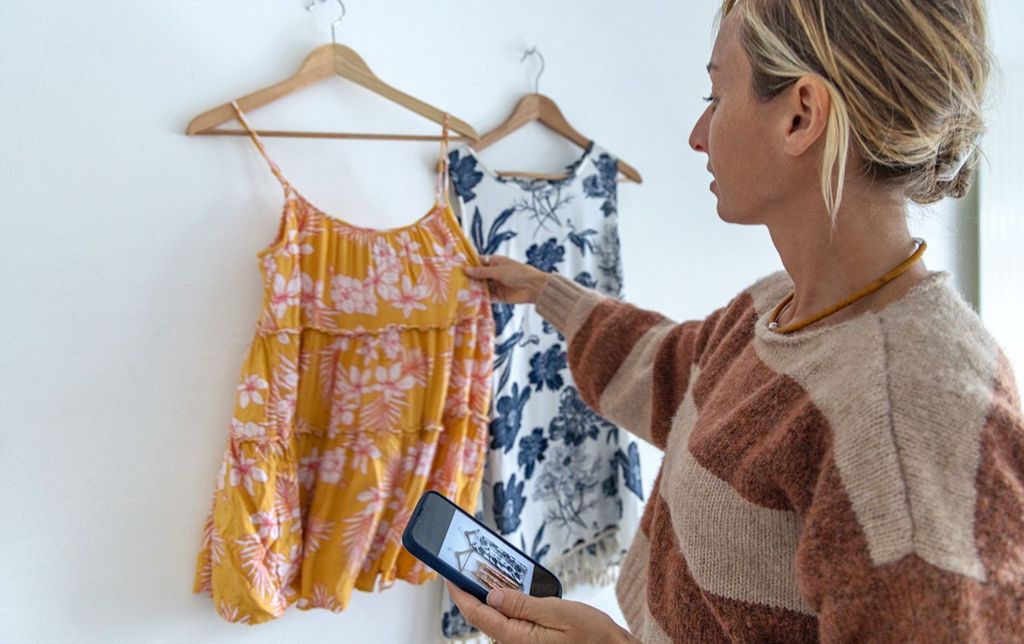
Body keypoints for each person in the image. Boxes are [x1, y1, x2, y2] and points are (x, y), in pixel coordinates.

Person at [447, 0, 1024, 641]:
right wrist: (547, 293)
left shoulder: (910, 421)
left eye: (716, 95)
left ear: (801, 116)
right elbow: (676, 374)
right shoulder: (780, 306)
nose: (698, 133)